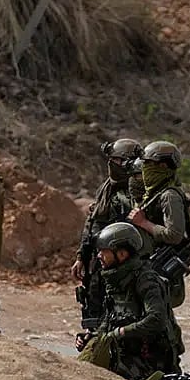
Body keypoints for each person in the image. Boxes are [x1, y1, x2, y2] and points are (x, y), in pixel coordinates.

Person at [75, 222, 183, 380]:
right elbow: (109, 321)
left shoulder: (145, 280)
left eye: (103, 252)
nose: (98, 256)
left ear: (122, 254)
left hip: (150, 360)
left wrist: (120, 333)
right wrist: (91, 337)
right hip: (126, 352)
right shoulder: (115, 280)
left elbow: (156, 319)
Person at [72, 138, 143, 329]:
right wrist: (81, 256)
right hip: (99, 259)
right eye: (112, 160)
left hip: (121, 262)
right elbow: (93, 222)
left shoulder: (136, 190)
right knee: (93, 305)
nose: (113, 165)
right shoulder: (107, 188)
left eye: (118, 160)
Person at [128, 140, 190, 307]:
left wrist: (143, 222)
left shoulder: (170, 196)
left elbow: (174, 235)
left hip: (161, 264)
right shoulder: (154, 193)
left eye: (149, 163)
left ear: (163, 166)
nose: (145, 167)